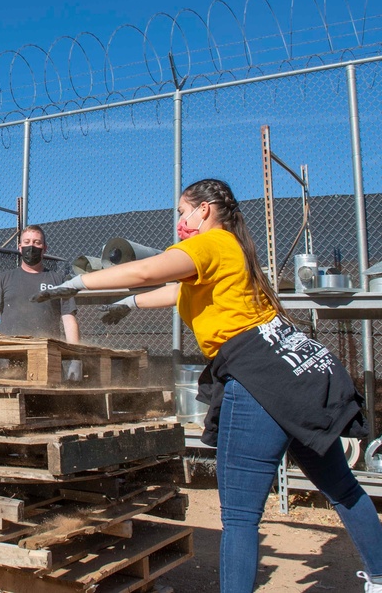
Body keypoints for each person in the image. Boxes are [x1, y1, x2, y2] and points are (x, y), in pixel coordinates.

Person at [32, 178, 382, 592]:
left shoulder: (210, 243)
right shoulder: (236, 251)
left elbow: (146, 269)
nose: (181, 220)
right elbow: (176, 290)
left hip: (258, 380)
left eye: (183, 211)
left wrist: (76, 284)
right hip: (299, 372)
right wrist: (131, 302)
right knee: (342, 488)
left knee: (238, 516)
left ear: (204, 210)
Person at [0, 225, 80, 378]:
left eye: (37, 243)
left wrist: (76, 359)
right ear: (20, 247)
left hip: (48, 357)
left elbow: (69, 319)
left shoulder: (58, 280)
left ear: (45, 248)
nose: (31, 246)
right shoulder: (4, 278)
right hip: (10, 359)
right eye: (27, 242)